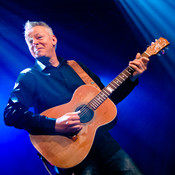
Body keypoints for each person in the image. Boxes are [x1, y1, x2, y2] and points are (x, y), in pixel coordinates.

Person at [4, 21, 149, 175]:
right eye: (30, 41)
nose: (35, 43)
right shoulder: (28, 77)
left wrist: (132, 79)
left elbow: (106, 102)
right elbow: (11, 113)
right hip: (70, 156)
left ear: (53, 40)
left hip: (106, 146)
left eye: (39, 37)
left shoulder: (78, 67)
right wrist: (55, 123)